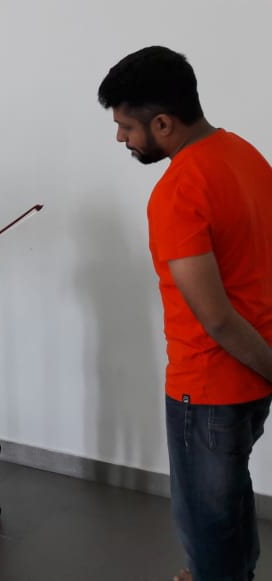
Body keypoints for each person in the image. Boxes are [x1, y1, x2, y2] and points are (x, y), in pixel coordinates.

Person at [98, 46, 272, 581]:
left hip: (209, 385)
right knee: (231, 497)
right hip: (254, 374)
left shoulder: (179, 191)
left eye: (127, 126)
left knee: (206, 522)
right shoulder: (246, 155)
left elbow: (215, 318)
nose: (120, 138)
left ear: (163, 123)